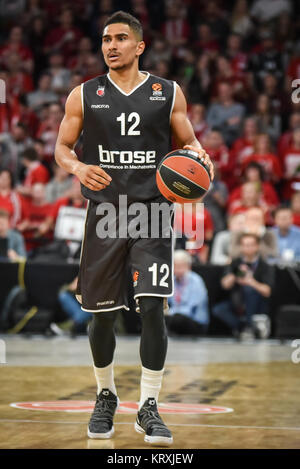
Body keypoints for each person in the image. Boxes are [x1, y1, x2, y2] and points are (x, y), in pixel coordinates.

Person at [54, 11, 214, 447]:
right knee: (101, 315)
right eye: (106, 39)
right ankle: (105, 394)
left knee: (151, 307)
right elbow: (62, 147)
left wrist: (200, 156)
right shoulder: (84, 95)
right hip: (105, 214)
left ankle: (149, 405)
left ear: (139, 46)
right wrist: (78, 167)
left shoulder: (167, 92)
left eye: (121, 38)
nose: (111, 45)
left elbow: (189, 142)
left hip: (152, 213)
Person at [212, 233, 275, 340]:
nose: (248, 248)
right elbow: (225, 285)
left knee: (249, 289)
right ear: (241, 247)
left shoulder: (264, 266)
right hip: (237, 302)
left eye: (251, 245)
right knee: (218, 309)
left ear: (257, 246)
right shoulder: (235, 263)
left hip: (257, 305)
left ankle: (250, 326)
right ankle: (243, 327)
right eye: (245, 245)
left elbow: (267, 291)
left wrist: (251, 282)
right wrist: (236, 273)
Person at [166, 250, 209, 336]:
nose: (178, 269)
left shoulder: (196, 281)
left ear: (188, 266)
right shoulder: (171, 281)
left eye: (181, 266)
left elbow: (191, 308)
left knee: (178, 319)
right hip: (176, 317)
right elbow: (167, 301)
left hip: (196, 321)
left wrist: (171, 313)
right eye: (175, 266)